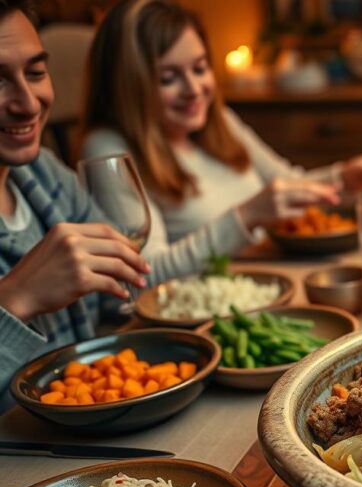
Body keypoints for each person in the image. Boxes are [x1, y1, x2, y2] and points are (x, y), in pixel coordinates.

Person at [0, 0, 235, 396]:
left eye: (36, 72)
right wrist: (14, 299)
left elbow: (125, 290)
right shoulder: (98, 146)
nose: (28, 103)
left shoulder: (42, 173)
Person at [78, 0, 362, 254]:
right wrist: (246, 216)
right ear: (127, 85)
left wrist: (344, 179)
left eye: (199, 68)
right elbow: (144, 274)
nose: (194, 89)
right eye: (168, 78)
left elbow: (286, 185)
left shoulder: (216, 120)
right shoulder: (107, 148)